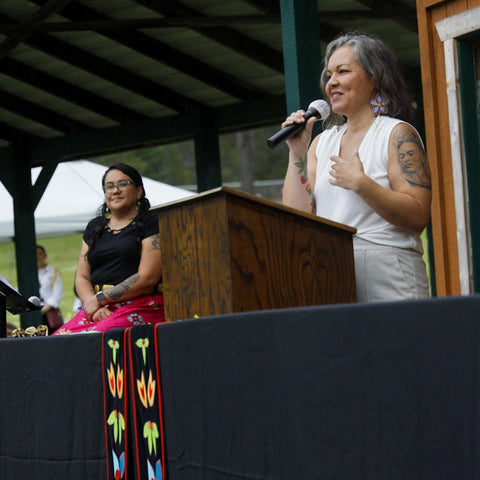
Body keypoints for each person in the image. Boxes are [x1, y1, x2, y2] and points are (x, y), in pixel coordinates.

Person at [282, 32, 432, 302]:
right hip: (331, 269)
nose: (332, 83)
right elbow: (296, 217)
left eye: (342, 71)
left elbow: (418, 215)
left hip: (388, 270)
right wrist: (297, 153)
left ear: (374, 77)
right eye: (329, 75)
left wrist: (361, 184)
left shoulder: (397, 134)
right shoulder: (321, 143)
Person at [54, 163, 165, 334]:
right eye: (109, 186)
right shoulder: (94, 227)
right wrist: (92, 306)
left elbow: (147, 278)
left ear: (138, 191)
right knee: (57, 342)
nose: (115, 190)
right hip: (97, 308)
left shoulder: (151, 221)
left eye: (123, 184)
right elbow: (82, 276)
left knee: (93, 338)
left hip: (140, 304)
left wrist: (100, 299)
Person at [37, 244, 64, 333]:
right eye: (35, 254)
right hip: (34, 312)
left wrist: (44, 309)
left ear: (45, 256)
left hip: (48, 312)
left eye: (40, 254)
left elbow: (57, 294)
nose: (37, 257)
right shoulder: (29, 273)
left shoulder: (53, 272)